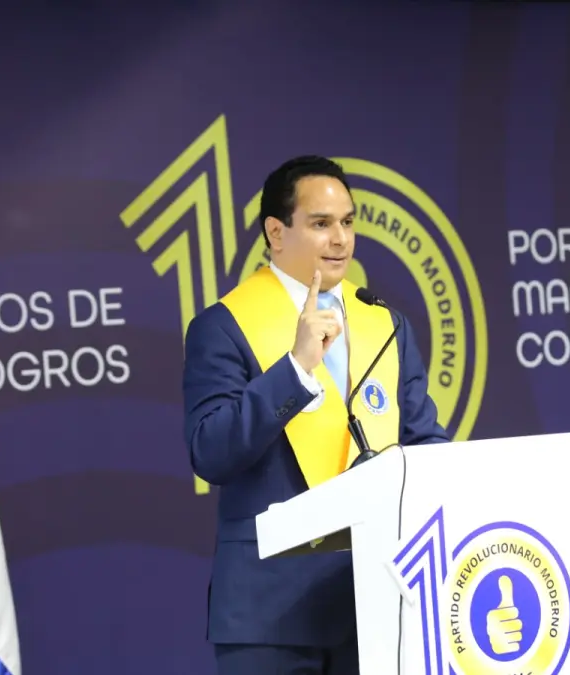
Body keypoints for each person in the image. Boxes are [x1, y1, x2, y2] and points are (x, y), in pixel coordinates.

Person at [181, 155, 450, 674]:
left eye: (348, 222)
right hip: (270, 615)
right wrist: (296, 368)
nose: (340, 239)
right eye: (321, 223)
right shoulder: (222, 327)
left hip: (375, 603)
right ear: (276, 232)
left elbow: (424, 443)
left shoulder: (385, 323)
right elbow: (210, 452)